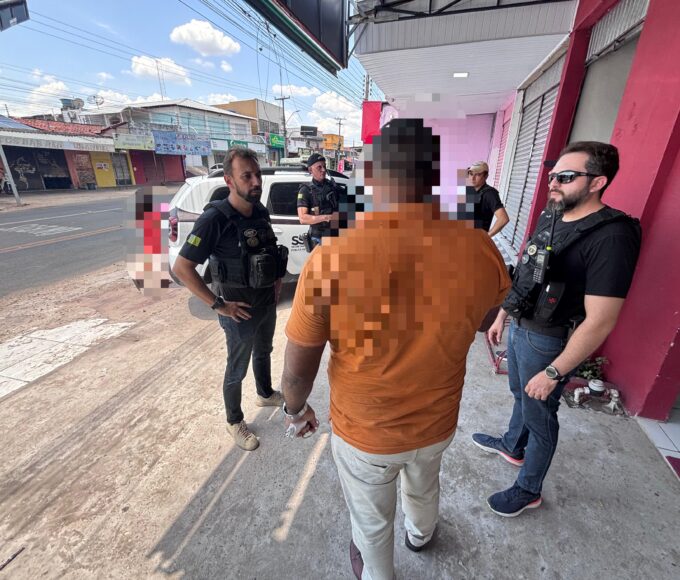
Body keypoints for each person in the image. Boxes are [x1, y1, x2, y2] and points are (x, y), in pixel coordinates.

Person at [280, 119, 511, 579]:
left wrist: (295, 409)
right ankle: (421, 535)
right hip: (437, 421)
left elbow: (299, 365)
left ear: (372, 175)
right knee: (424, 483)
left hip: (366, 430)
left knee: (370, 518)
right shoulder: (480, 247)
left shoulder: (331, 258)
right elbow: (487, 319)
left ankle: (378, 573)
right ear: (433, 175)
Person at [473, 141, 641, 517]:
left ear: (597, 181)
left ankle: (528, 489)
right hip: (522, 324)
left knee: (541, 414)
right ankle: (513, 446)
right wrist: (502, 315)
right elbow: (527, 270)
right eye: (552, 176)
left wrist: (554, 372)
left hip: (551, 340)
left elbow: (601, 319)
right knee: (520, 394)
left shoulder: (613, 236)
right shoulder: (553, 214)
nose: (553, 183)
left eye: (565, 177)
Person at [172, 147, 286, 451]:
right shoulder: (214, 218)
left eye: (257, 174)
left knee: (264, 351)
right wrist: (218, 305)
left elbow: (269, 252)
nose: (256, 181)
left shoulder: (260, 212)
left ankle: (265, 393)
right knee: (237, 368)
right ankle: (234, 421)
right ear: (229, 180)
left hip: (265, 302)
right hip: (238, 311)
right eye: (246, 176)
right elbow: (182, 268)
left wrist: (276, 282)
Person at [296, 153, 340, 248]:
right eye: (319, 167)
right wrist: (326, 217)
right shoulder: (306, 190)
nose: (323, 170)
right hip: (318, 239)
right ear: (310, 170)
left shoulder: (332, 186)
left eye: (324, 166)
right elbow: (303, 219)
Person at [467, 161, 509, 236]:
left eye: (478, 174)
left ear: (486, 176)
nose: (473, 178)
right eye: (471, 174)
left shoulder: (490, 193)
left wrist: (486, 237)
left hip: (475, 239)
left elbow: (503, 219)